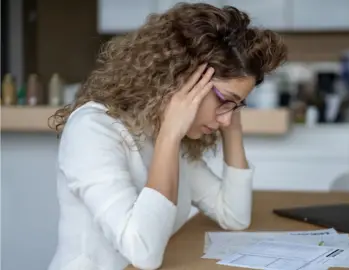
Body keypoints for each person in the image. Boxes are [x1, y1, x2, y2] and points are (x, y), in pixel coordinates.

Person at [47, 2, 287, 270]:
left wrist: (231, 125)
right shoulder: (92, 130)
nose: (226, 118)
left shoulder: (168, 132)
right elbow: (143, 253)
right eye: (224, 101)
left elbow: (234, 216)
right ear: (181, 80)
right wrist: (170, 136)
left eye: (236, 106)